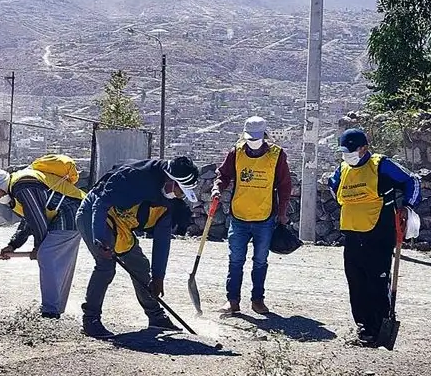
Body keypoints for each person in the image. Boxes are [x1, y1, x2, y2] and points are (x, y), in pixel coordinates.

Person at [76, 156, 200, 339]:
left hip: (120, 223)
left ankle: (156, 317)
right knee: (105, 266)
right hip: (93, 215)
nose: (180, 196)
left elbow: (162, 241)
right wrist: (100, 239)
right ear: (171, 181)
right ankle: (90, 320)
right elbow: (100, 204)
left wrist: (158, 277)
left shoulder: (168, 203)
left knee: (139, 265)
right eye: (180, 191)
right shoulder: (134, 176)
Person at [329, 128, 420, 347]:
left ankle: (379, 328)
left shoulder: (381, 165)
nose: (347, 155)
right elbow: (333, 187)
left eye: (351, 151)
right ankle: (363, 328)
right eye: (344, 151)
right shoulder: (343, 169)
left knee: (377, 282)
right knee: (356, 281)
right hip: (352, 233)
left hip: (378, 233)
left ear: (364, 149)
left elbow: (412, 181)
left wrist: (407, 206)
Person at [0, 155, 85, 318]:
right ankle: (53, 308)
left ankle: (50, 312)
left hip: (70, 213)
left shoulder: (23, 185)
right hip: (68, 214)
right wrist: (13, 245)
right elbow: (30, 218)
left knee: (47, 256)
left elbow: (38, 220)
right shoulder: (18, 187)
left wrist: (38, 247)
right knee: (54, 259)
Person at [211, 116, 293, 315]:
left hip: (264, 217)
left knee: (260, 260)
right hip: (239, 216)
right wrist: (217, 188)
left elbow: (284, 186)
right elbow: (224, 175)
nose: (253, 142)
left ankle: (257, 300)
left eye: (257, 138)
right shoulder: (236, 152)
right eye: (250, 138)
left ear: (264, 135)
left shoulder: (277, 155)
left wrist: (282, 213)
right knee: (235, 259)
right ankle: (232, 300)